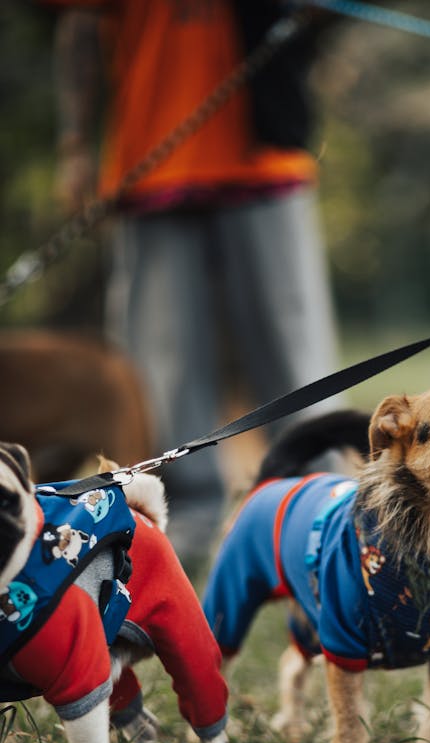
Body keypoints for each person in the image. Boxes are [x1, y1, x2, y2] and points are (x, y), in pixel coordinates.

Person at [51, 0, 339, 576]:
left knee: (295, 357)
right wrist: (76, 144)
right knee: (163, 367)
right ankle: (179, 525)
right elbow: (81, 22)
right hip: (150, 160)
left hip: (264, 156)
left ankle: (328, 513)